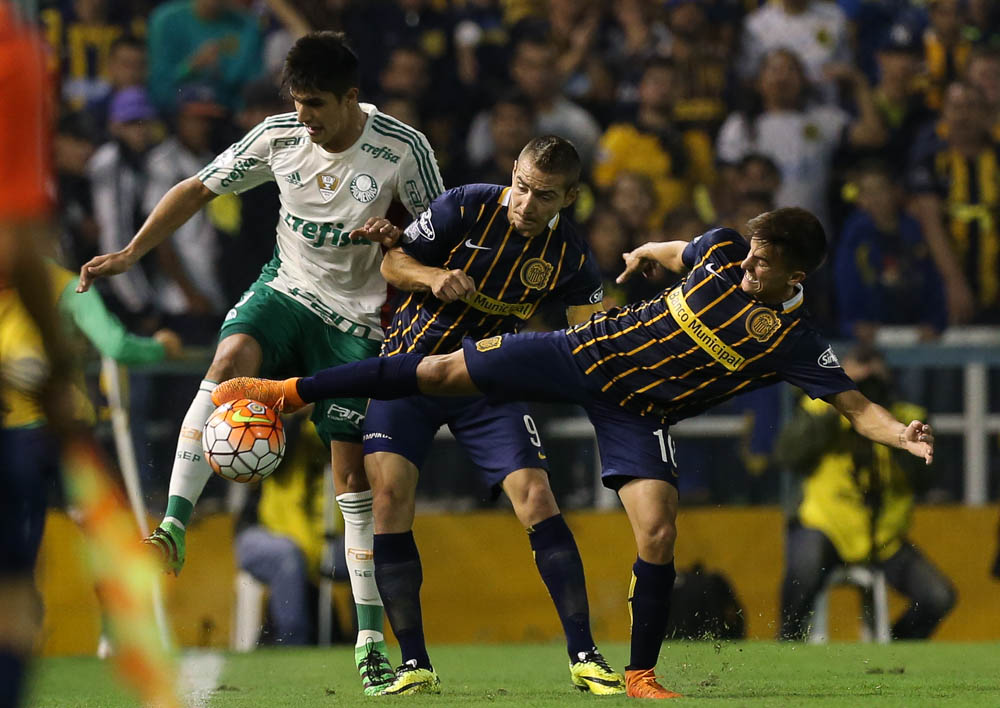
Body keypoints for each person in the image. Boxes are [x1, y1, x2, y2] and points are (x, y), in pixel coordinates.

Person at [213, 206, 935, 700]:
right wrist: (639, 258)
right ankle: (287, 391)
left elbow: (858, 408)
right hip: (583, 352)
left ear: (795, 278)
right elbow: (669, 252)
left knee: (657, 529)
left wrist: (900, 433)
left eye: (764, 262)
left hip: (639, 410)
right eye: (749, 253)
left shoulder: (794, 342)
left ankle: (641, 674)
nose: (748, 265)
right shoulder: (719, 252)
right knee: (436, 370)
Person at [77, 31, 444, 696]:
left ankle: (367, 638)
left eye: (317, 105)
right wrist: (130, 253)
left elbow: (442, 231)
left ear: (351, 99)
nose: (304, 116)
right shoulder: (278, 137)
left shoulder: (401, 148)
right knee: (229, 358)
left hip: (358, 322)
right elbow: (197, 187)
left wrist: (406, 251)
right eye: (297, 101)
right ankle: (172, 529)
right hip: (286, 291)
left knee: (349, 475)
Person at [362, 136, 620, 695]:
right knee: (388, 499)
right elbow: (393, 260)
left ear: (570, 198)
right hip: (409, 370)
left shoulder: (572, 258)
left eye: (544, 197)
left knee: (537, 496)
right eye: (522, 188)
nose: (526, 205)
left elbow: (594, 330)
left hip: (484, 383)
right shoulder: (466, 205)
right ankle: (415, 664)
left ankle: (585, 655)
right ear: (513, 173)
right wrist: (431, 277)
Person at [776, 347, 955, 640]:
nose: (868, 383)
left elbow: (927, 479)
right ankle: (787, 642)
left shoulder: (909, 419)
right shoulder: (820, 409)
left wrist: (889, 430)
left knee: (938, 596)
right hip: (826, 526)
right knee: (804, 571)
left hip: (885, 537)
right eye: (859, 375)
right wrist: (843, 403)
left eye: (875, 374)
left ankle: (894, 651)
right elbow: (786, 455)